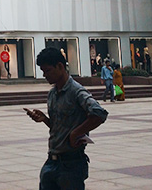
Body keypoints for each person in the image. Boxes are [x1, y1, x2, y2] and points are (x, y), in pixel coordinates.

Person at [25, 47, 108, 190]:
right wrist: (45, 119)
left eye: (48, 71)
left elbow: (99, 113)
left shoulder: (77, 91)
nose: (45, 75)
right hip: (51, 161)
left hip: (71, 164)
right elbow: (59, 126)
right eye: (43, 71)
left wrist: (76, 133)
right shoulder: (52, 94)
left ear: (60, 66)